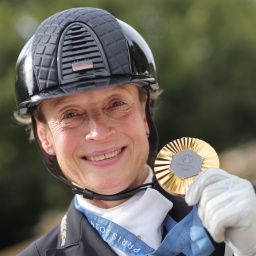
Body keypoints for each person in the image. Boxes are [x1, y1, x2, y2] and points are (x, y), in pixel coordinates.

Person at [14, 7, 256, 256]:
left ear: (144, 113)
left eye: (116, 104)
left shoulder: (245, 209)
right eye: (71, 115)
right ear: (45, 137)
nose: (98, 132)